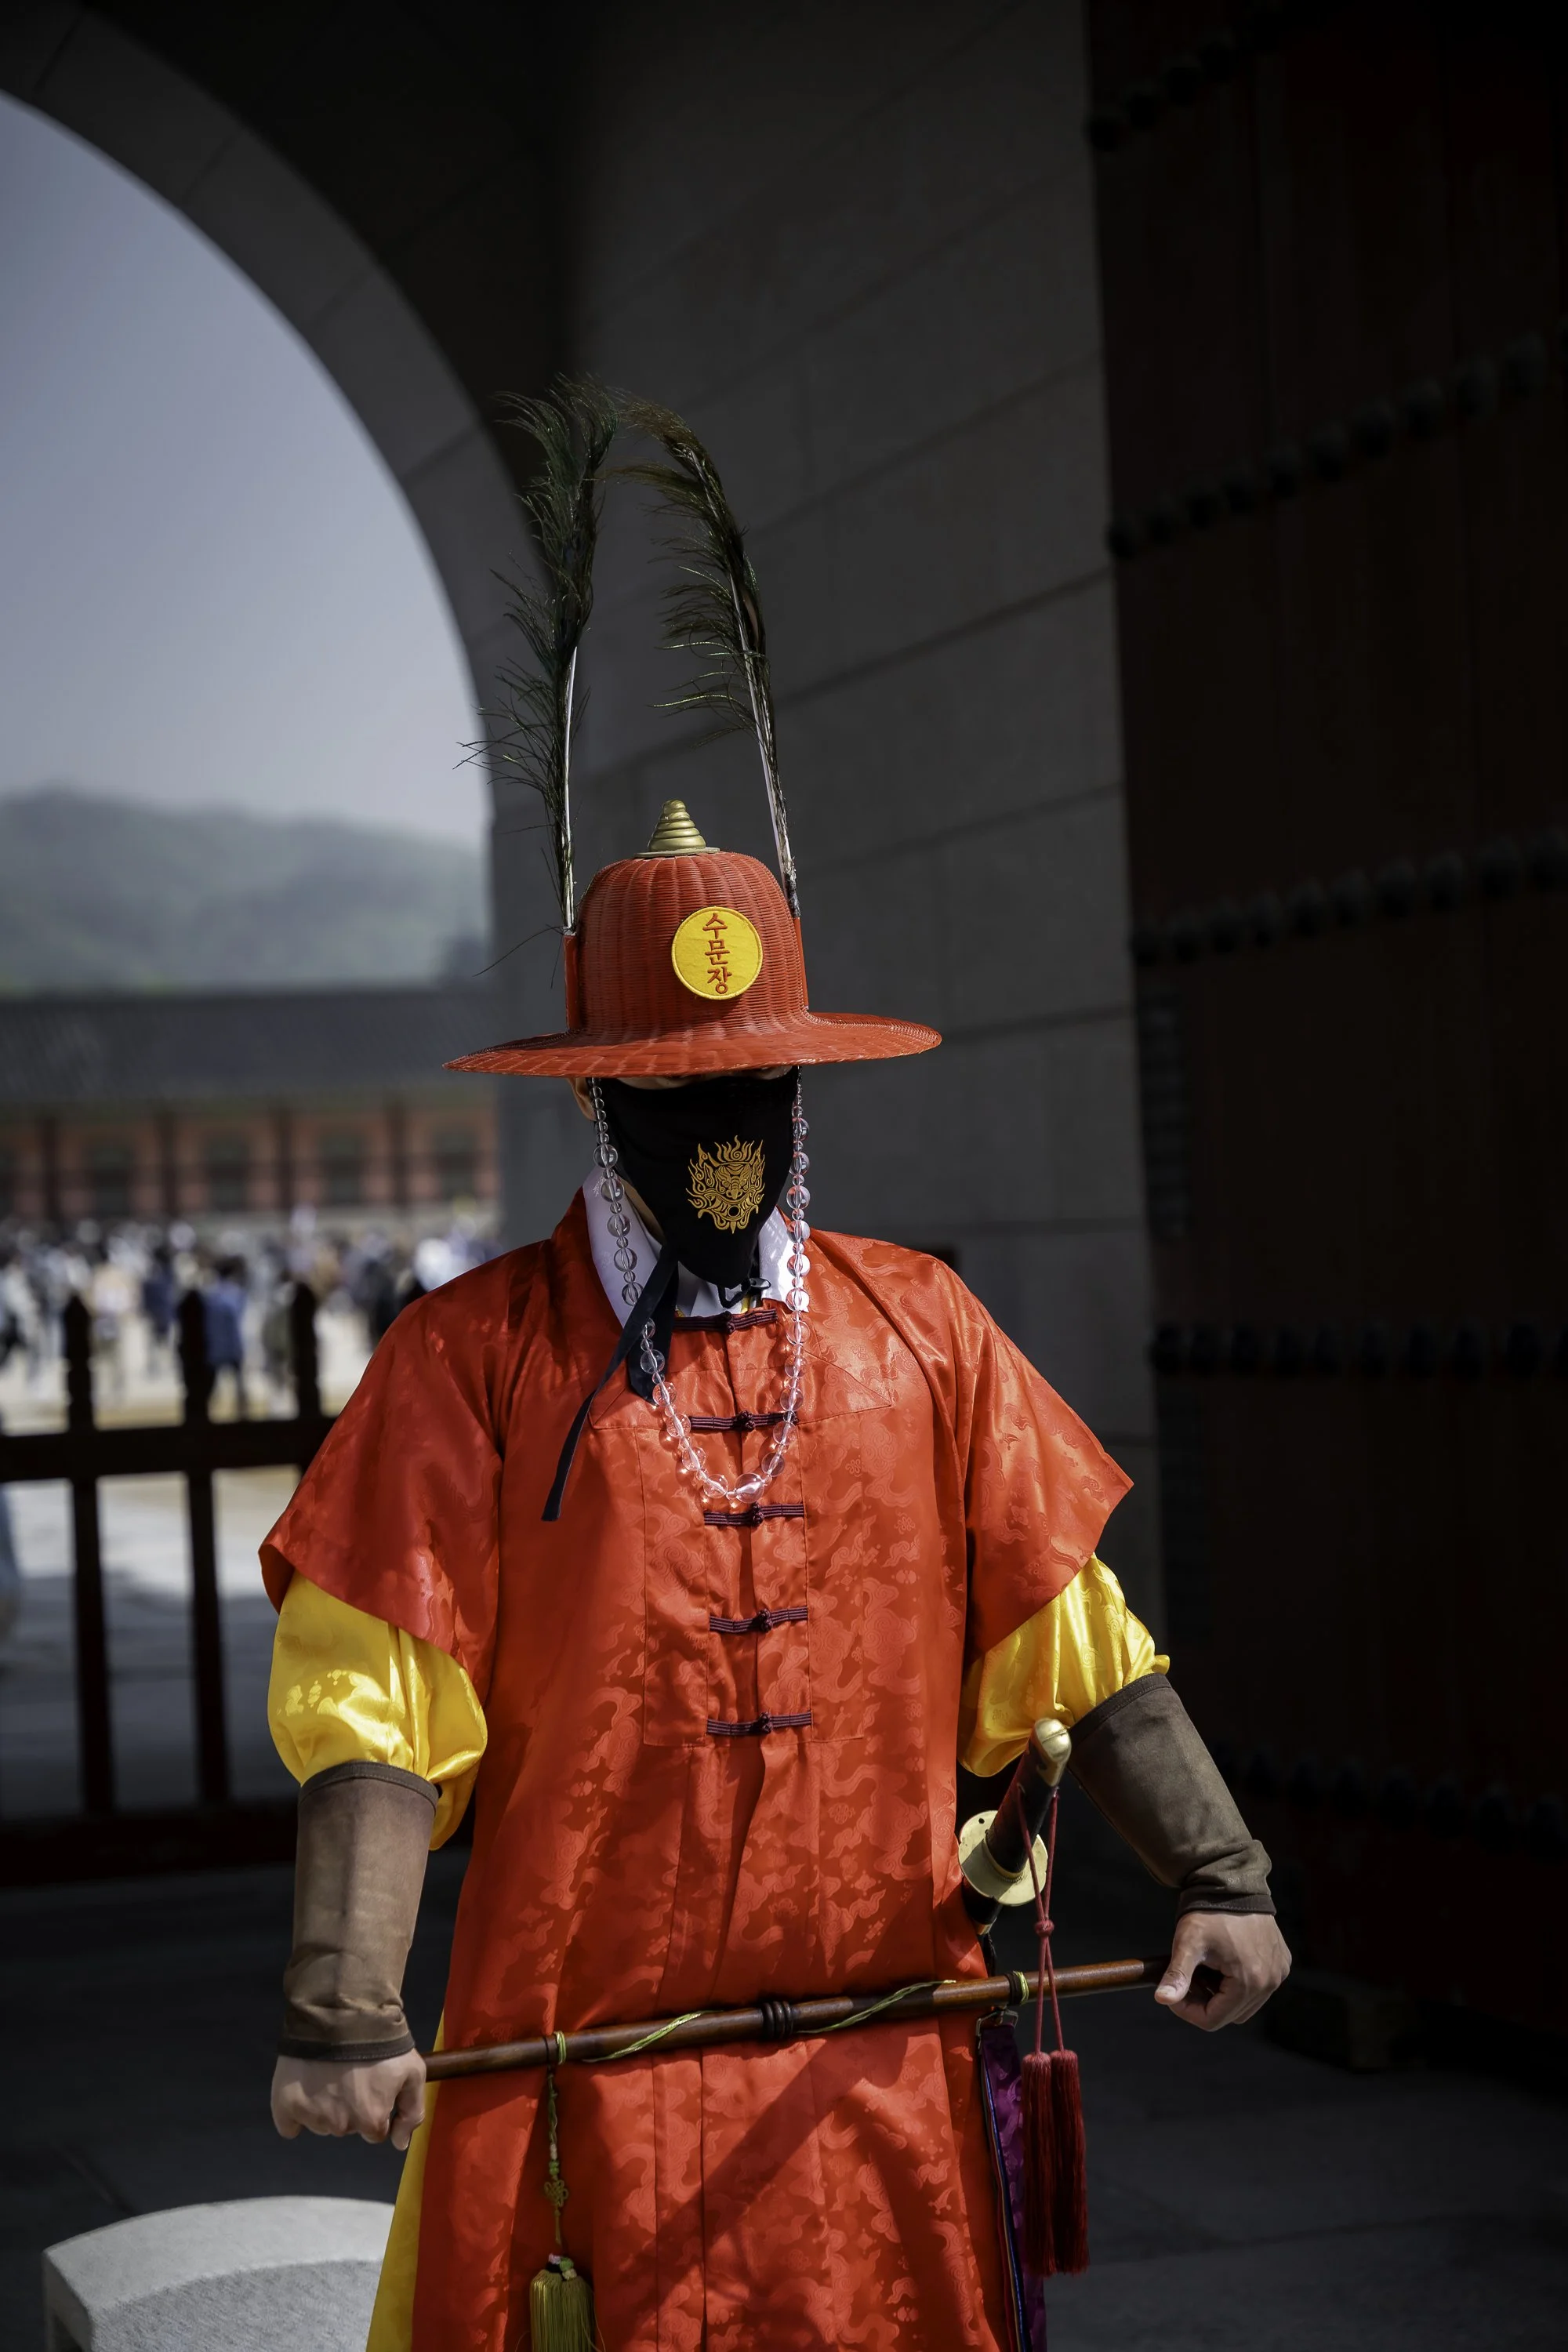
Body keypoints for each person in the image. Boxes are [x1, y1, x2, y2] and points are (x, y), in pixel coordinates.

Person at [261, 394, 1287, 2352]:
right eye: (673, 1093)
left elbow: (1075, 1638)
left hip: (876, 2075)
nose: (719, 1130)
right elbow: (379, 1710)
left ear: (804, 1084)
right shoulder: (472, 1363)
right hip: (576, 2090)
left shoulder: (923, 1331)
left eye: (754, 1085)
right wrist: (340, 2003)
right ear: (596, 1102)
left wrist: (1220, 1871)